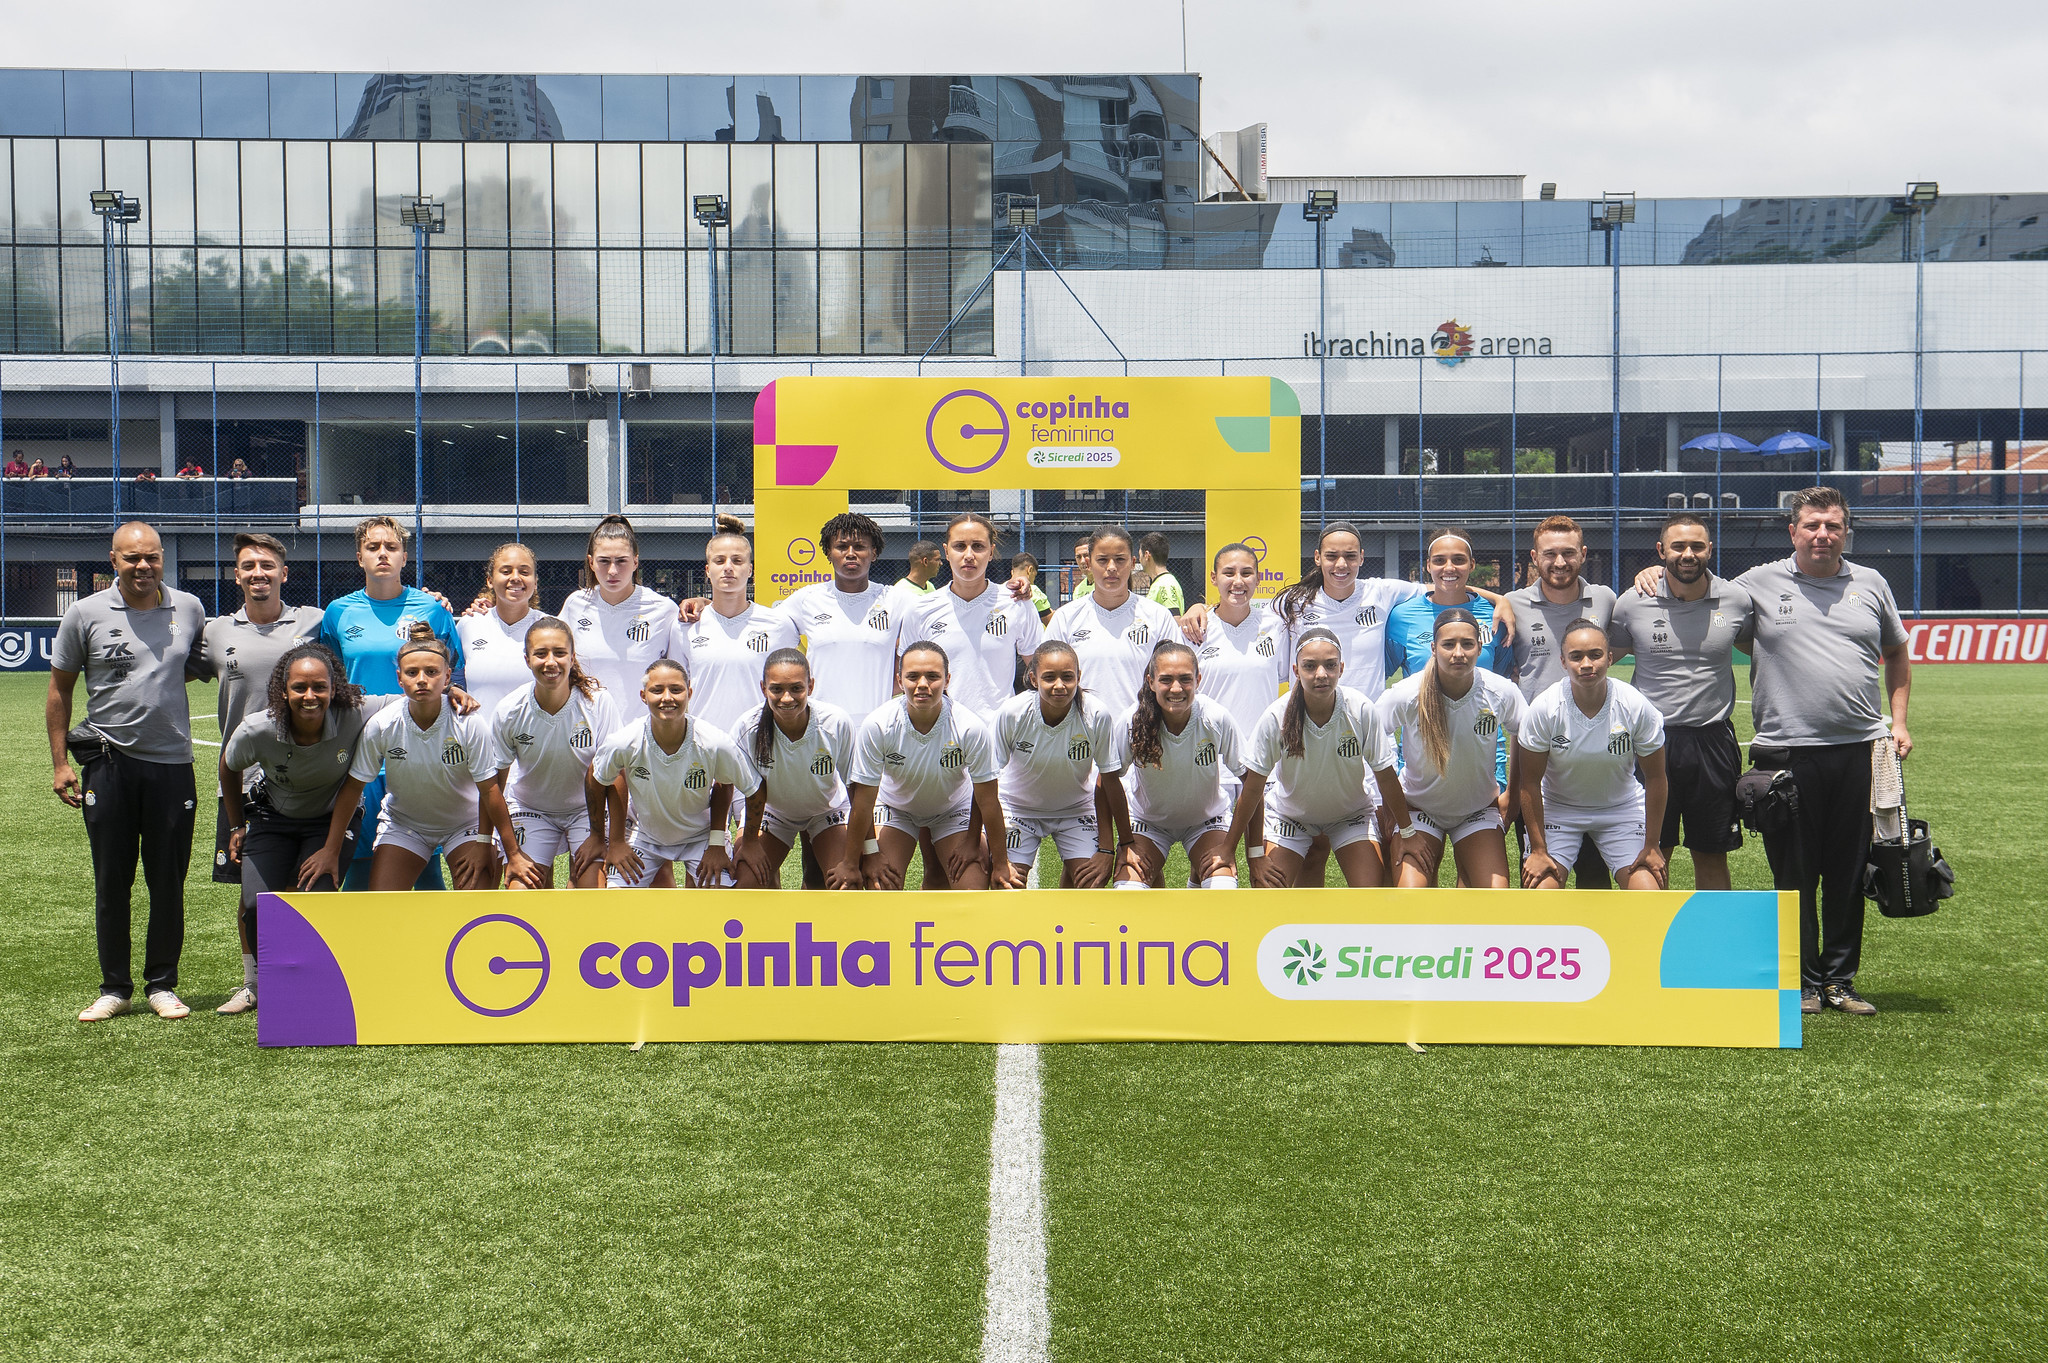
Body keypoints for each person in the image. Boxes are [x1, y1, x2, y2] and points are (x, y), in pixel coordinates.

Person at [1641, 488, 1911, 1016]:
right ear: (1794, 532)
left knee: (1848, 870)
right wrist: (1649, 576)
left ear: (1845, 531)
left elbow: (1897, 652)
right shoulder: (1756, 585)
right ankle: (1803, 982)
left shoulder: (1871, 584)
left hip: (1859, 748)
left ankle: (1840, 981)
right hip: (1784, 753)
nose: (1822, 535)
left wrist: (1898, 721)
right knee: (1792, 873)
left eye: (1832, 525)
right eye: (1811, 525)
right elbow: (1696, 587)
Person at [49, 522, 209, 1022]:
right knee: (111, 881)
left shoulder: (189, 608)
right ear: (113, 560)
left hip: (172, 766)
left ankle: (162, 984)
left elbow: (202, 663)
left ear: (163, 558)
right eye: (132, 558)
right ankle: (114, 987)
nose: (143, 566)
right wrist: (59, 764)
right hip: (109, 766)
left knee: (168, 881)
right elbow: (60, 690)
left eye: (152, 557)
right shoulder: (85, 613)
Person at [217, 644, 397, 1013]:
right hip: (272, 819)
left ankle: (310, 983)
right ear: (283, 691)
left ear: (335, 688)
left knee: (315, 896)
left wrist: (451, 690)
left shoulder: (356, 712)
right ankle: (257, 984)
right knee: (256, 904)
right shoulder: (258, 728)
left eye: (319, 687)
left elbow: (411, 695)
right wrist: (237, 825)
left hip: (331, 820)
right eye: (299, 687)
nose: (310, 696)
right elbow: (228, 767)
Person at [195, 533, 322, 985]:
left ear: (284, 574)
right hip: (240, 781)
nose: (258, 574)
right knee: (250, 892)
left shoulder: (314, 623)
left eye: (267, 566)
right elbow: (169, 671)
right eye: (248, 566)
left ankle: (300, 977)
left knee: (303, 884)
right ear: (236, 575)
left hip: (307, 778)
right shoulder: (214, 632)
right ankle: (253, 984)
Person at [308, 625, 516, 892]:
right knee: (386, 908)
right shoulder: (383, 723)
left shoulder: (469, 723)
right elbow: (352, 788)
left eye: (431, 672)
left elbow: (489, 790)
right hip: (405, 824)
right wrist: (331, 850)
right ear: (399, 678)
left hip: (466, 825)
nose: (421, 679)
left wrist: (485, 841)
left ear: (447, 677)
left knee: (476, 903)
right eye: (412, 672)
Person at [317, 515, 463, 891]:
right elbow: (330, 680)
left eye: (391, 547)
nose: (382, 553)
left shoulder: (432, 609)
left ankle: (437, 949)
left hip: (418, 750)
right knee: (361, 865)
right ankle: (362, 948)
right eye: (373, 547)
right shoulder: (337, 612)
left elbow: (455, 674)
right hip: (361, 750)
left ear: (404, 556)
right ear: (359, 557)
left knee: (424, 863)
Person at [1612, 514, 1754, 891]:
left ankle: (1709, 947)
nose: (1687, 554)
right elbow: (1601, 655)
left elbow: (1767, 648)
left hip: (1713, 743)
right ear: (1661, 551)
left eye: (1696, 546)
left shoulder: (1737, 600)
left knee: (1711, 853)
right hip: (1650, 744)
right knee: (1651, 853)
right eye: (1678, 546)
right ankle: (1652, 945)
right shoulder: (1632, 602)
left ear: (1710, 550)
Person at [1228, 629, 1413, 889]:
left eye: (1330, 665)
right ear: (1296, 670)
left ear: (1342, 668)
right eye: (1310, 666)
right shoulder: (1276, 716)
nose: (1321, 674)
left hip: (1350, 816)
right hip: (1290, 818)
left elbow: (1385, 774)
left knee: (1370, 895)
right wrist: (1247, 853)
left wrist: (1406, 832)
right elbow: (1252, 788)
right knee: (1267, 892)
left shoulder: (1359, 708)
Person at [1375, 610, 1526, 890]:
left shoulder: (1500, 691)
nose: (1459, 653)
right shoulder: (1407, 693)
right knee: (1412, 897)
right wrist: (1391, 804)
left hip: (1477, 810)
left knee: (1494, 897)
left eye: (1467, 644)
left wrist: (1513, 793)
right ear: (1434, 648)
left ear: (1479, 648)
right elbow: (1372, 737)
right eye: (1448, 645)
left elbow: (1522, 734)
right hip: (1418, 810)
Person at [1506, 515, 1618, 889]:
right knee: (1540, 867)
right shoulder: (1512, 604)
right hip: (1537, 749)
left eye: (1568, 553)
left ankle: (1597, 945)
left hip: (1595, 749)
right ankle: (1544, 947)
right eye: (1550, 554)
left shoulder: (1604, 599)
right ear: (1534, 557)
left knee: (1594, 873)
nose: (1559, 562)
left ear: (1583, 554)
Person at [1514, 621, 1670, 891]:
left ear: (1609, 658)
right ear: (1563, 662)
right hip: (1558, 809)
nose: (1586, 663)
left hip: (1620, 809)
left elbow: (1656, 778)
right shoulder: (1544, 708)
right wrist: (1538, 850)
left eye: (1595, 655)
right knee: (1541, 892)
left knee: (1649, 892)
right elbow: (1529, 784)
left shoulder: (1635, 705)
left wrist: (1652, 845)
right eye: (1576, 656)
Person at [844, 641, 1005, 890]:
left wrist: (990, 854)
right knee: (881, 885)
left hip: (951, 810)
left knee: (972, 889)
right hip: (896, 808)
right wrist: (865, 855)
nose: (922, 684)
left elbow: (989, 801)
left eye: (932, 676)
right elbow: (862, 802)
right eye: (912, 676)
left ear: (947, 679)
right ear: (899, 680)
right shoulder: (878, 724)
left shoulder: (970, 728)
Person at [589, 659, 755, 888]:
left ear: (689, 693)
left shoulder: (715, 742)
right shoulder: (624, 742)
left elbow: (734, 786)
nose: (667, 697)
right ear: (643, 695)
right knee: (618, 899)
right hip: (645, 836)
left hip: (701, 837)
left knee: (721, 901)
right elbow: (597, 778)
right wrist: (615, 842)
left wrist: (717, 843)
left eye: (676, 690)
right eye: (657, 690)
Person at [489, 616, 624, 890]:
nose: (551, 662)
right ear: (527, 659)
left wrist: (603, 837)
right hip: (531, 809)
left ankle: (577, 882)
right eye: (540, 654)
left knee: (592, 894)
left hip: (586, 812)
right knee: (521, 894)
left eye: (560, 653)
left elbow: (616, 772)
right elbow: (493, 784)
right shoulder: (509, 709)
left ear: (572, 657)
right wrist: (511, 853)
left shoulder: (598, 702)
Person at [1386, 527, 1515, 793]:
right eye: (1439, 560)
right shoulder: (1401, 617)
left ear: (1472, 565)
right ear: (1428, 566)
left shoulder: (1495, 616)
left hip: (1484, 751)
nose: (1449, 567)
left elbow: (1499, 677)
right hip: (1421, 753)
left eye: (1458, 560)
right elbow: (1384, 673)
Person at [991, 640, 1128, 889]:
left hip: (1075, 810)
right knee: (1007, 886)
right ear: (1033, 679)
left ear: (1078, 676)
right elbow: (986, 780)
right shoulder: (1012, 713)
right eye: (1049, 678)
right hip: (1018, 810)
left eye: (1067, 677)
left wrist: (1108, 850)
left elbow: (1108, 779)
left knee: (1091, 882)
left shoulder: (1096, 714)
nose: (1059, 686)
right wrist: (997, 858)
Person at [1111, 641, 1244, 889]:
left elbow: (1251, 780)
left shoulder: (1215, 717)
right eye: (1165, 680)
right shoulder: (1131, 721)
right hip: (1148, 823)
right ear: (1150, 681)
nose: (1176, 688)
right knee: (1127, 892)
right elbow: (1107, 779)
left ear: (1198, 679)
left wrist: (1231, 847)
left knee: (1223, 889)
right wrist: (1126, 843)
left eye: (1185, 679)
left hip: (1205, 821)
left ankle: (1197, 877)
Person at [732, 649, 860, 890]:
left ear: (810, 686)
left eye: (796, 688)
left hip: (827, 810)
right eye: (777, 689)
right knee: (745, 885)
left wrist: (867, 851)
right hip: (774, 813)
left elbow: (857, 789)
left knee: (845, 887)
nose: (787, 698)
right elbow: (743, 789)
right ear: (763, 688)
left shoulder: (835, 722)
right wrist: (748, 842)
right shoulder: (747, 727)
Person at [899, 512, 1042, 720]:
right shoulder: (920, 609)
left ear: (991, 552)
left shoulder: (1017, 603)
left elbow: (1040, 670)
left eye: (978, 546)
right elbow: (907, 677)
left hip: (999, 732)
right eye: (959, 546)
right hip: (941, 732)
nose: (969, 555)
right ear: (946, 552)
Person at [1045, 525, 1188, 716]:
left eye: (1120, 559)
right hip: (1082, 736)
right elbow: (1046, 679)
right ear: (1089, 564)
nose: (1111, 567)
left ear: (1132, 563)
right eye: (1102, 560)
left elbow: (1176, 677)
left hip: (1142, 733)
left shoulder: (1158, 617)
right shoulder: (1066, 618)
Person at [682, 515, 799, 735]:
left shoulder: (778, 625)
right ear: (707, 571)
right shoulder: (686, 626)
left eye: (737, 561)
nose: (728, 568)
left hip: (760, 743)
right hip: (703, 746)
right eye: (720, 561)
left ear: (751, 570)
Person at [558, 515, 685, 703]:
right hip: (587, 728)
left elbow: (679, 675)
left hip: (641, 729)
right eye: (604, 561)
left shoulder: (663, 609)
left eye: (621, 561)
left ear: (635, 562)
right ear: (591, 562)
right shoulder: (575, 604)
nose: (612, 571)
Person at [456, 543, 544, 719]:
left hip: (535, 743)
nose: (515, 577)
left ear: (535, 582)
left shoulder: (550, 628)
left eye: (524, 572)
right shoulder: (468, 625)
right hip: (480, 742)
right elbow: (451, 681)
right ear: (489, 580)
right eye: (506, 571)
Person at [1139, 532, 1185, 613]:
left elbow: (1175, 620)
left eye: (1140, 555)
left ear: (1146, 555)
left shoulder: (1165, 584)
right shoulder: (1162, 582)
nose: (1139, 560)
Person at [1011, 551, 1054, 623]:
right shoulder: (1032, 591)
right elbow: (1051, 623)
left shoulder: (1001, 591)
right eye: (1035, 575)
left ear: (1012, 572)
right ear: (1030, 570)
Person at [1069, 533, 1095, 601]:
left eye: (1086, 555)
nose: (1082, 561)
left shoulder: (1108, 584)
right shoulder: (1078, 590)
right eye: (1078, 557)